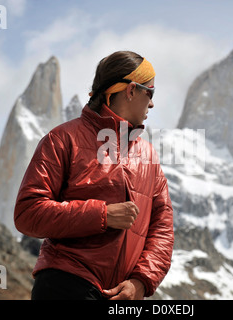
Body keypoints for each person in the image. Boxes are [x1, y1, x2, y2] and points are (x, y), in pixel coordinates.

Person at [14, 51, 174, 300]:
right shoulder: (62, 139)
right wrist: (102, 215)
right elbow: (28, 214)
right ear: (131, 90)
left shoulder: (149, 156)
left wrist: (141, 282)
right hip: (65, 286)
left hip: (123, 296)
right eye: (149, 92)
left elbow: (162, 229)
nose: (152, 103)